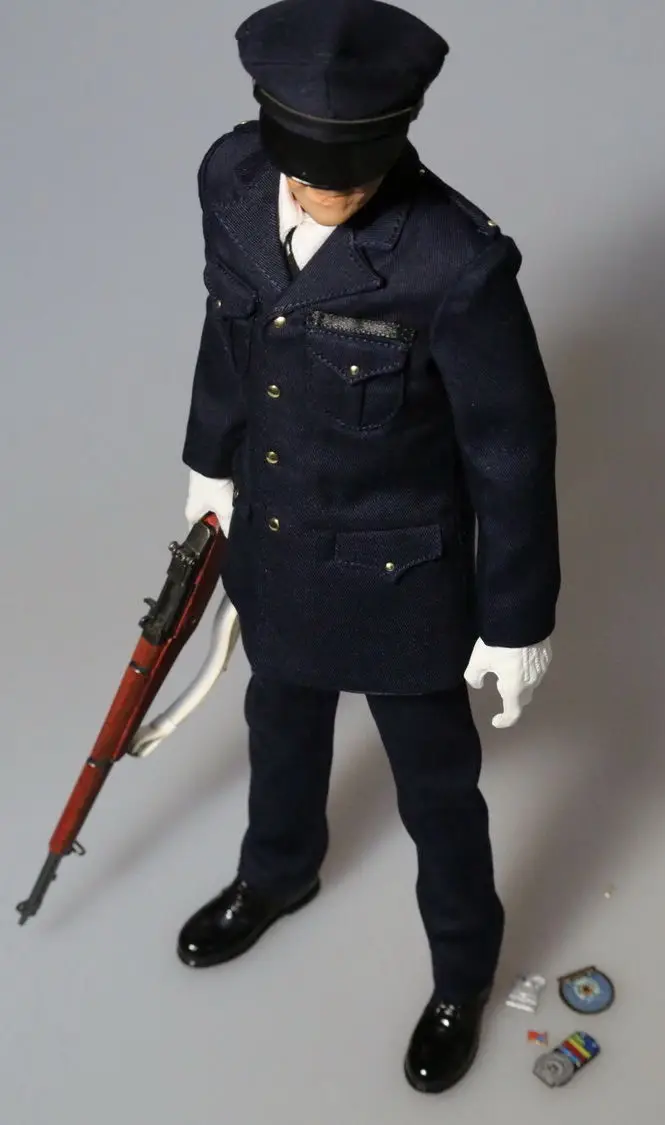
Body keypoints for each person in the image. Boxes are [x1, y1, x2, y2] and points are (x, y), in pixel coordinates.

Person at [179, 0, 560, 1094]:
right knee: (279, 731)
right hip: (277, 546)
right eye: (306, 170)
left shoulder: (454, 262)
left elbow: (511, 450)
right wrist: (210, 463)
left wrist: (517, 619)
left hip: (401, 582)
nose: (324, 192)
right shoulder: (234, 185)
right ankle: (277, 872)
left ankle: (463, 971)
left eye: (348, 174)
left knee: (438, 791)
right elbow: (230, 330)